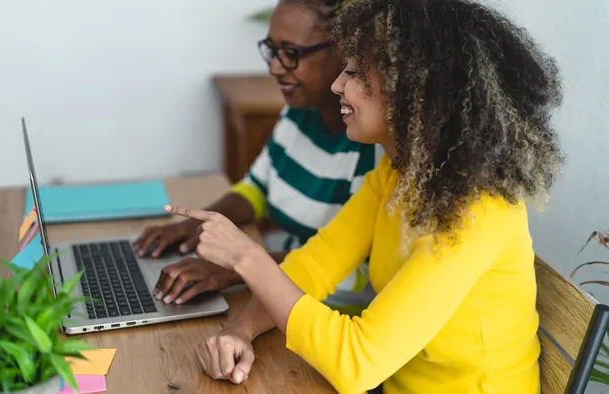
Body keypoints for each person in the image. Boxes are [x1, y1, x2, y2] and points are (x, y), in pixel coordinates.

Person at [164, 0, 565, 393]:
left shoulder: (479, 214)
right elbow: (314, 265)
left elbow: (357, 365)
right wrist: (240, 330)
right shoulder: (395, 176)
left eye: (355, 73)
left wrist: (245, 257)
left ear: (413, 92)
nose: (339, 84)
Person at [133, 0, 380, 312]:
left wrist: (235, 267)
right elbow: (257, 187)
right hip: (281, 289)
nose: (275, 67)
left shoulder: (373, 151)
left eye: (291, 54)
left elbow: (352, 274)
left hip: (328, 311)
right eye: (271, 49)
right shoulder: (300, 113)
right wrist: (194, 226)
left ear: (345, 52)